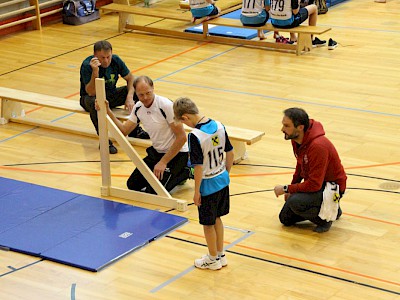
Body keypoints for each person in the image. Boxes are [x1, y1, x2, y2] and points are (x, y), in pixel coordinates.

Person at [99, 75, 192, 194]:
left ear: (153, 88)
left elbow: (182, 137)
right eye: (141, 95)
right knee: (132, 185)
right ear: (136, 93)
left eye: (148, 93)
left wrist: (163, 162)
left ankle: (186, 172)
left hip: (177, 154)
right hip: (157, 152)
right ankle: (170, 174)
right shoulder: (138, 107)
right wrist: (107, 111)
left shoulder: (166, 106)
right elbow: (123, 131)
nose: (145, 98)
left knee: (154, 191)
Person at [173, 97, 234, 270]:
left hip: (207, 185)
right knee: (217, 219)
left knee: (208, 224)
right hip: (222, 180)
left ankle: (212, 258)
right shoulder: (220, 125)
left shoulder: (195, 136)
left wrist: (196, 191)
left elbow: (198, 167)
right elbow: (230, 153)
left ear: (185, 117)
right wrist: (225, 173)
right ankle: (221, 254)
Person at [274, 108, 347, 233]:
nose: (282, 129)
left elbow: (314, 184)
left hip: (332, 188)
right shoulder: (296, 139)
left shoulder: (318, 146)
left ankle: (325, 219)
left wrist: (287, 189)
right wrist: (292, 186)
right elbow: (299, 166)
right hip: (318, 184)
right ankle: (333, 209)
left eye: (286, 126)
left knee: (295, 202)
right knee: (285, 219)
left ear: (300, 127)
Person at [80, 40, 149, 155]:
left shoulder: (116, 60)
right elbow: (91, 92)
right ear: (95, 56)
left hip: (110, 95)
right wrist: (95, 72)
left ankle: (134, 130)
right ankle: (104, 141)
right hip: (90, 98)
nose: (106, 61)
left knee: (139, 91)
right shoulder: (87, 65)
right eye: (102, 58)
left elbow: (131, 79)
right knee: (95, 102)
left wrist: (130, 96)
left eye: (108, 57)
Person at [265, 0, 334, 47]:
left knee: (287, 11)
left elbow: (268, 8)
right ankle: (310, 40)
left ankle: (291, 37)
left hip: (274, 22)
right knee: (314, 8)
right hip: (287, 22)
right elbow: (295, 12)